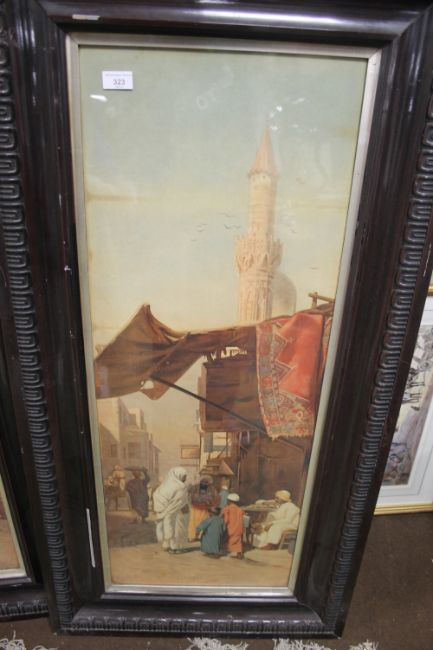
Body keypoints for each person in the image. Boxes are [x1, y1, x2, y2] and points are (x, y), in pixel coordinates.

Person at [152, 466, 189, 554]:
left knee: (168, 527)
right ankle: (175, 548)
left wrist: (163, 508)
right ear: (178, 475)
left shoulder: (165, 485)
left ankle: (166, 545)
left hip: (166, 510)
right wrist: (172, 508)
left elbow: (157, 496)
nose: (185, 478)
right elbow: (179, 501)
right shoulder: (180, 487)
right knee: (177, 530)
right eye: (184, 476)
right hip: (178, 512)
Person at [187, 475, 219, 541]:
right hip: (200, 508)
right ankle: (196, 536)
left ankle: (194, 536)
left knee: (196, 522)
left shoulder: (198, 487)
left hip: (198, 508)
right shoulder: (206, 489)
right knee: (198, 521)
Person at [222, 493, 244, 559]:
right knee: (238, 540)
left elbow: (226, 520)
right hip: (239, 528)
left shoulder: (227, 508)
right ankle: (239, 553)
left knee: (228, 539)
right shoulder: (240, 509)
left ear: (229, 501)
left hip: (231, 527)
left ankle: (225, 550)